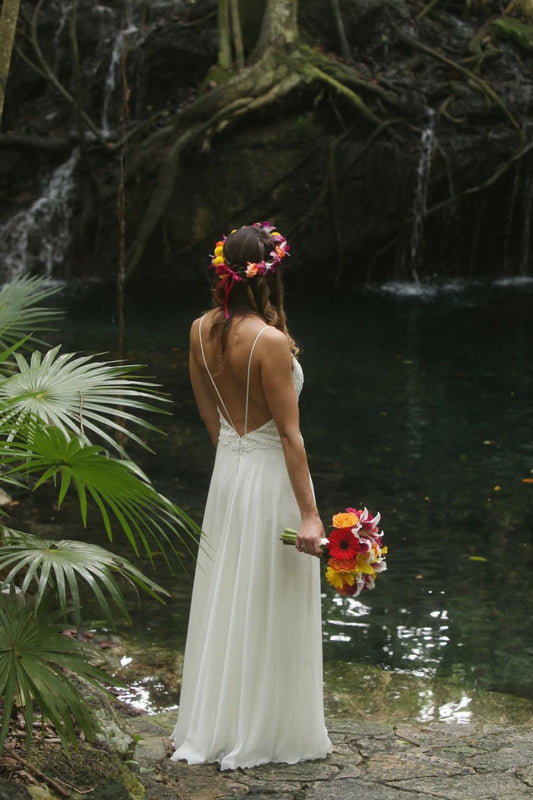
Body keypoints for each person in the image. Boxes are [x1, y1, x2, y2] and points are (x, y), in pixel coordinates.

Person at [170, 222, 332, 770]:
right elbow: (291, 435)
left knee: (229, 595)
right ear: (270, 276)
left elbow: (210, 418)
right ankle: (266, 729)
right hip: (269, 481)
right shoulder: (271, 341)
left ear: (224, 273)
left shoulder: (198, 330)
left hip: (229, 474)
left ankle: (218, 723)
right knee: (268, 596)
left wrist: (234, 462)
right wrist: (310, 516)